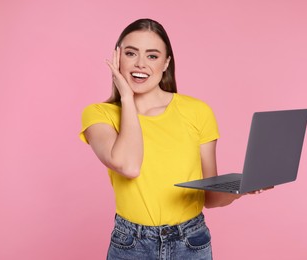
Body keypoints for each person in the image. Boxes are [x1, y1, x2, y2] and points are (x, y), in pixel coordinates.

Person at [80, 18, 263, 260]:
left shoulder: (197, 111)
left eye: (152, 56)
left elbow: (211, 197)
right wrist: (126, 97)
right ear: (118, 57)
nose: (140, 64)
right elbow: (129, 165)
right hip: (130, 245)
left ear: (166, 63)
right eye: (131, 53)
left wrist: (243, 186)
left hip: (191, 241)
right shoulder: (100, 114)